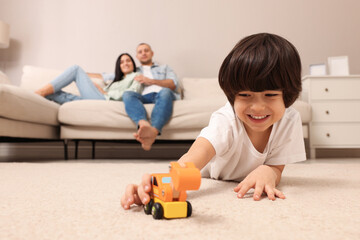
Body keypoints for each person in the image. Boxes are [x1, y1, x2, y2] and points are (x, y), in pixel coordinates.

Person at [120, 33, 306, 209]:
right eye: (245, 95)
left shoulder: (290, 119)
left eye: (270, 95)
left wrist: (269, 172)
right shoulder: (226, 120)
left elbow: (277, 166)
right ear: (233, 95)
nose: (257, 107)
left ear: (287, 95)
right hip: (211, 173)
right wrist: (161, 186)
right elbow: (193, 159)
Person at [122, 43, 179, 151]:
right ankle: (144, 125)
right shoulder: (133, 70)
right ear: (137, 57)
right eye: (140, 52)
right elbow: (109, 76)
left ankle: (153, 132)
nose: (143, 53)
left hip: (162, 94)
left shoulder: (164, 67)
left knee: (165, 91)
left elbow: (173, 84)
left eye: (146, 50)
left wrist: (151, 81)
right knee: (127, 94)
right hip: (143, 97)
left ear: (152, 53)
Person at [35, 53, 142, 104]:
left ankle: (38, 93)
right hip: (99, 97)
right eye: (122, 62)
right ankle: (37, 96)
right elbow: (103, 80)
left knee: (75, 69)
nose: (125, 63)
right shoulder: (117, 79)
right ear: (119, 66)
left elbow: (132, 93)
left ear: (133, 63)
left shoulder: (137, 76)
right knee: (53, 93)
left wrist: (106, 94)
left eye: (128, 60)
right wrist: (99, 89)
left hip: (104, 100)